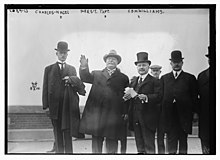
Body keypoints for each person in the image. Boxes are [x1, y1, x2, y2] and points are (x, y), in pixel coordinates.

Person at [79, 50, 129, 154]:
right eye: (109, 58)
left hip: (113, 115)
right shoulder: (96, 74)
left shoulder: (123, 78)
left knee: (112, 141)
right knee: (97, 140)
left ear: (117, 62)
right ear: (105, 61)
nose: (111, 60)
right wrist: (84, 67)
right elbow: (85, 77)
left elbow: (126, 97)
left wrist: (125, 112)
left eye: (114, 59)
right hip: (98, 115)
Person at [42, 41, 86, 154]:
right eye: (61, 53)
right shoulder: (49, 69)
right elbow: (45, 88)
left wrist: (71, 79)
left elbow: (78, 86)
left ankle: (69, 154)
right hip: (54, 107)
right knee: (57, 132)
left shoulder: (72, 69)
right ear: (57, 53)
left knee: (67, 132)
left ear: (67, 54)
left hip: (67, 106)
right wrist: (45, 106)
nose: (63, 55)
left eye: (65, 53)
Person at [160, 50, 198, 154]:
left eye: (178, 62)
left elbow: (194, 97)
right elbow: (161, 97)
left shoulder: (190, 78)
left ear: (182, 63)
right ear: (171, 63)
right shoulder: (164, 78)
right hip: (169, 115)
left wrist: (194, 113)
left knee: (183, 142)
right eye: (174, 62)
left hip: (184, 115)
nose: (176, 64)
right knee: (171, 141)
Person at [123, 52, 161, 154]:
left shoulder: (155, 81)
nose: (141, 67)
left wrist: (147, 97)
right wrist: (128, 97)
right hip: (135, 118)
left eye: (144, 65)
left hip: (148, 119)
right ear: (136, 67)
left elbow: (159, 96)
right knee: (139, 146)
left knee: (149, 146)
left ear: (148, 66)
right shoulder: (134, 81)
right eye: (139, 65)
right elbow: (132, 96)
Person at [150, 65, 166, 154]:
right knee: (150, 137)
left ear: (160, 72)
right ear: (151, 72)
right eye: (154, 71)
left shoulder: (163, 82)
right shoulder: (148, 82)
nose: (155, 72)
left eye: (157, 71)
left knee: (160, 137)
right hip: (150, 113)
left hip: (161, 113)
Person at [197, 46, 210, 154]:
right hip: (206, 120)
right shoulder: (202, 76)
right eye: (210, 57)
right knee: (206, 150)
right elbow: (196, 98)